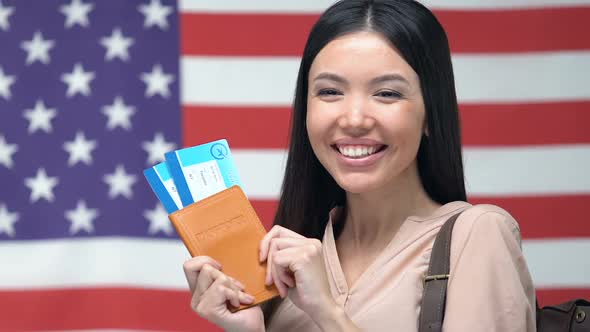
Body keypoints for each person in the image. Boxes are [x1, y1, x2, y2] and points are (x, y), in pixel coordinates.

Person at [182, 0, 537, 331]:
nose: (353, 119)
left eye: (387, 93)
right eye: (330, 92)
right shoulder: (295, 253)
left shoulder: (477, 235)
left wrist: (329, 313)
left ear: (431, 114)